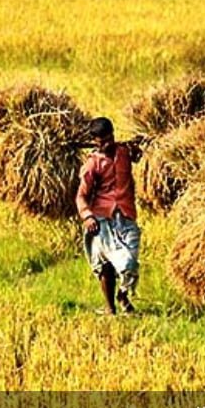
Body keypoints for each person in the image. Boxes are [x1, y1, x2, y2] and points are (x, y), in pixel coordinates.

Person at [76, 117, 144, 315]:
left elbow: (139, 155)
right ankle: (110, 307)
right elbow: (81, 196)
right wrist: (87, 216)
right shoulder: (92, 165)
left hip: (126, 215)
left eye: (109, 139)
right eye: (102, 142)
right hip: (102, 219)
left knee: (130, 262)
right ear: (95, 141)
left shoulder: (124, 152)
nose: (107, 144)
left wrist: (141, 146)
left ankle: (123, 295)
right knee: (105, 265)